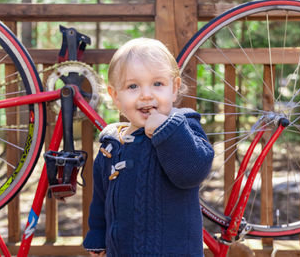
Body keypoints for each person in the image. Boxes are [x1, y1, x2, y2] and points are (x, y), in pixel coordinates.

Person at [83, 37, 214, 256]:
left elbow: (194, 172)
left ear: (175, 88)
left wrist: (166, 131)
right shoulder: (112, 145)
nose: (146, 94)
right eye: (133, 86)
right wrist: (97, 235)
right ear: (116, 96)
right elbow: (101, 199)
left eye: (158, 84)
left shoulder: (183, 127)